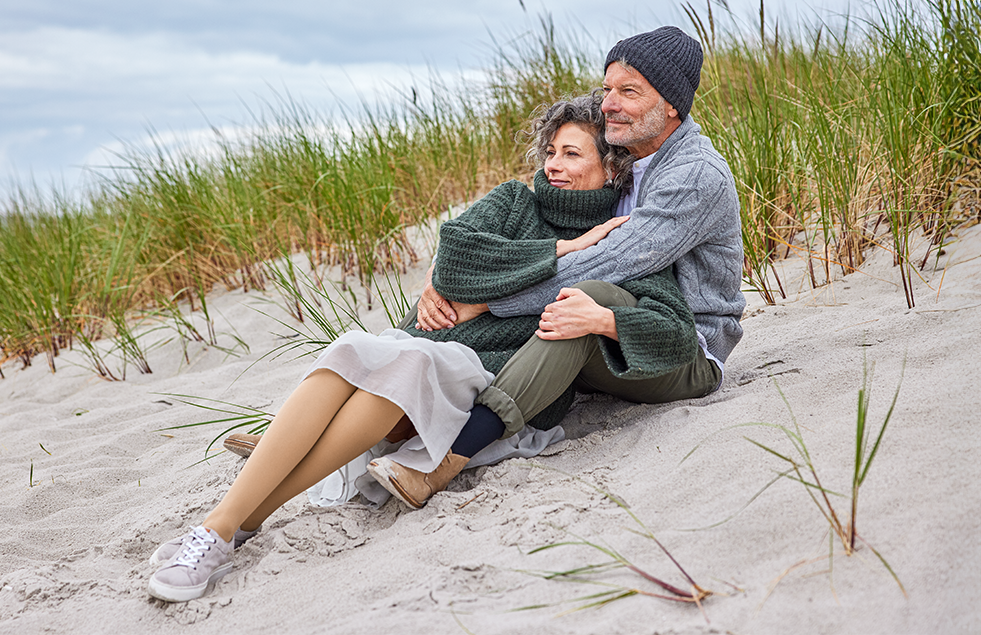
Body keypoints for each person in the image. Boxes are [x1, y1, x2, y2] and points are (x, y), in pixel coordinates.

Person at [145, 89, 700, 603]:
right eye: (550, 151)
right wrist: (565, 248)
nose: (553, 165)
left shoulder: (624, 234)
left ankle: (223, 528)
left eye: (572, 154)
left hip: (495, 369)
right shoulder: (514, 202)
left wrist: (593, 311)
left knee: (403, 365)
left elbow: (671, 326)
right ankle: (225, 527)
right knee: (350, 353)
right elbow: (454, 257)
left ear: (611, 167)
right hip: (425, 345)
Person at [229, 26, 745, 515]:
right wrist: (441, 278)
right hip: (619, 327)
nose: (609, 102)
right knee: (534, 312)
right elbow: (476, 238)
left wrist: (487, 298)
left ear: (672, 104)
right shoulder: (626, 156)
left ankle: (443, 461)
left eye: (628, 91)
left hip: (681, 341)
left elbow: (615, 261)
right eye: (607, 87)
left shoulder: (691, 174)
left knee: (577, 301)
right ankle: (309, 440)